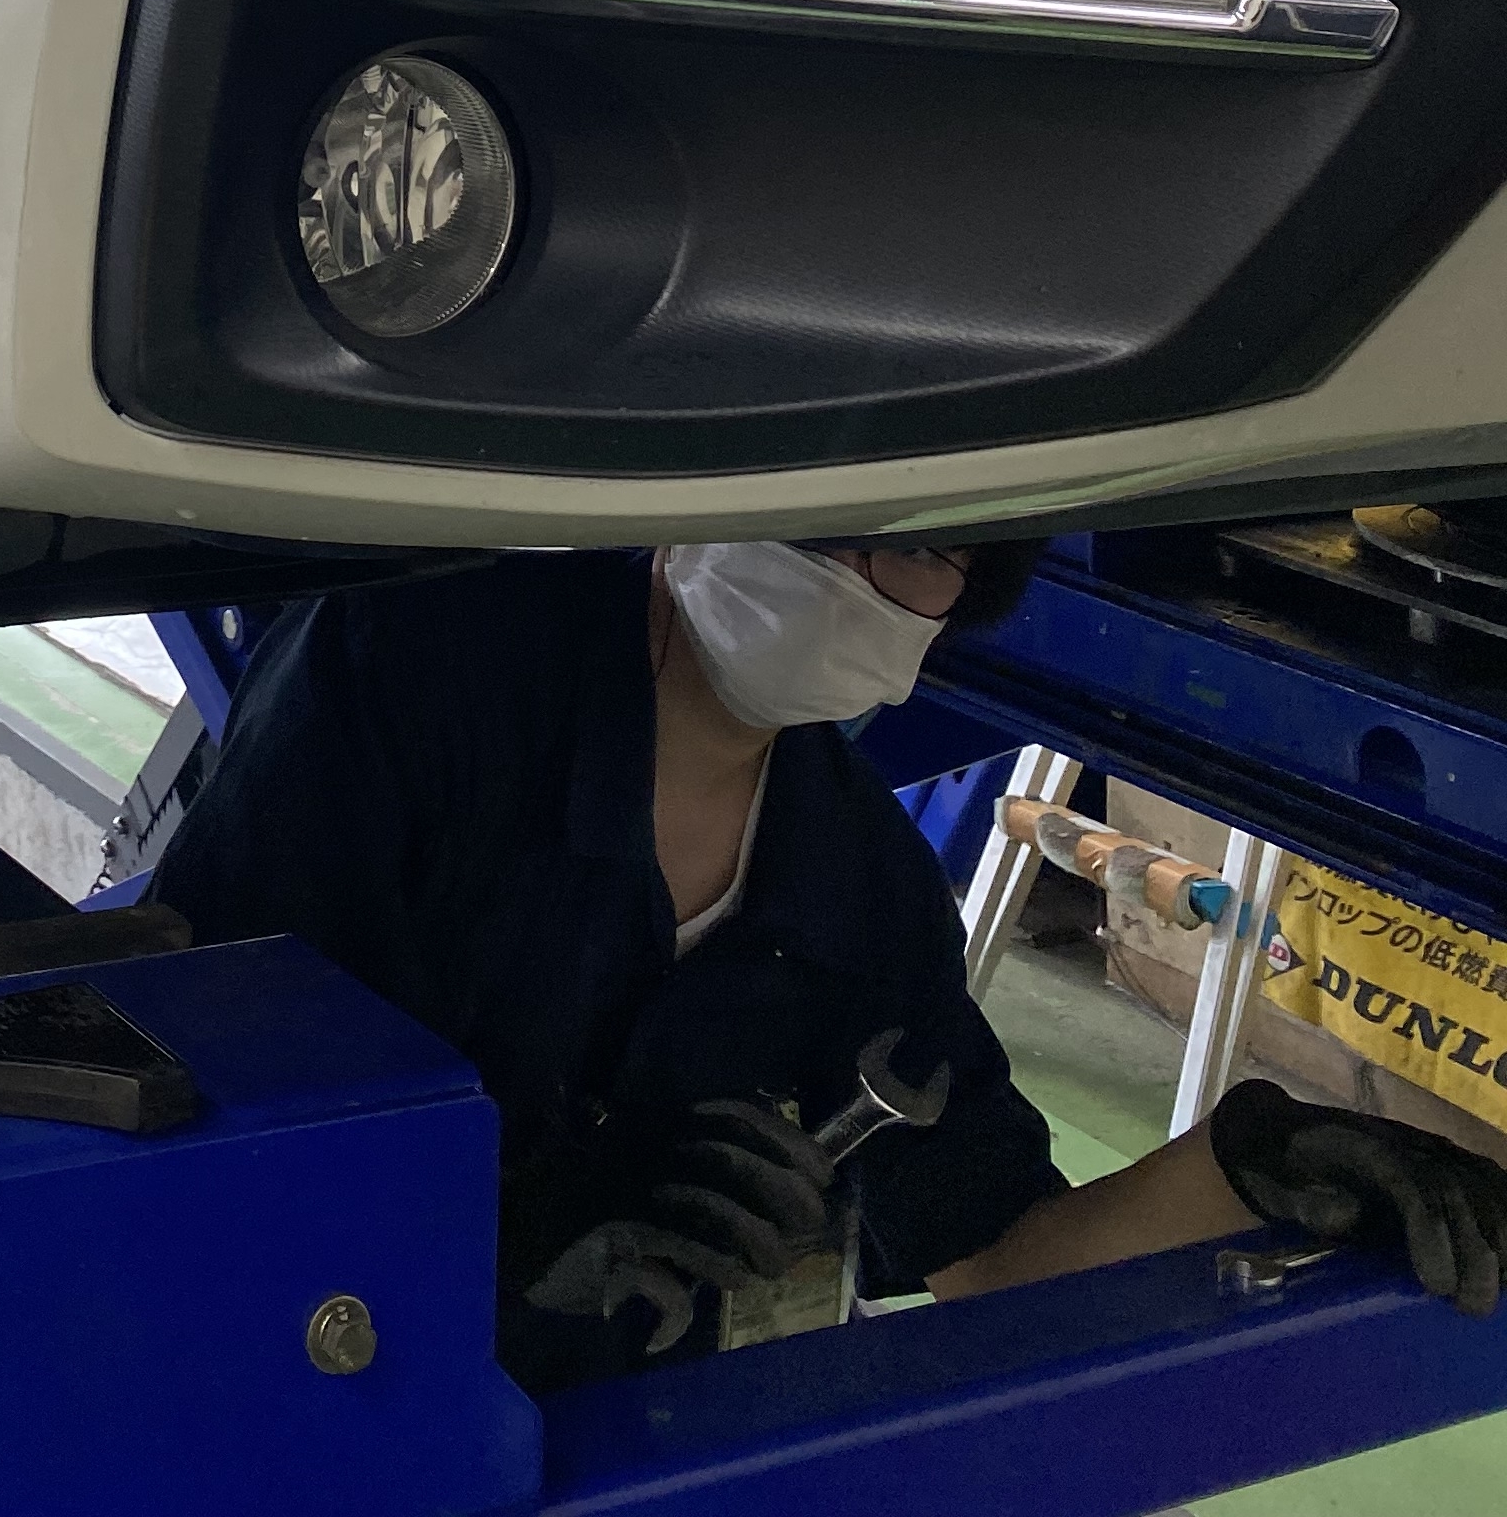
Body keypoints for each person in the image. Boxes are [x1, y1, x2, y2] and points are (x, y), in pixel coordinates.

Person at [153, 541, 1507, 1388]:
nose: (849, 563)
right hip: (256, 1381)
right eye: (822, 509)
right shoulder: (421, 662)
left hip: (604, 1447)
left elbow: (996, 1259)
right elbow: (183, 1063)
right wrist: (503, 1224)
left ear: (957, 605)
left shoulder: (857, 891)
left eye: (915, 546)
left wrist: (1252, 1163)